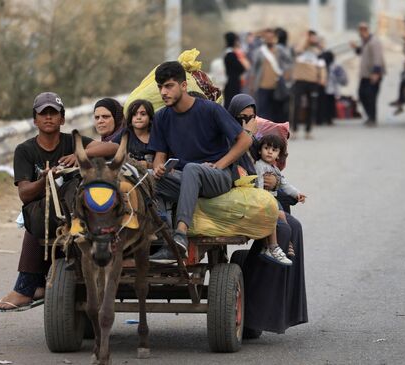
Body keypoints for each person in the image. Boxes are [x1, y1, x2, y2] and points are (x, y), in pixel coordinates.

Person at [0, 92, 118, 312]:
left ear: (62, 119)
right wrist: (44, 180)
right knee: (40, 211)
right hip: (43, 214)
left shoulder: (72, 142)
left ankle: (34, 285)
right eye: (43, 113)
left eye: (53, 113)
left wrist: (80, 155)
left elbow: (113, 148)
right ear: (35, 120)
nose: (48, 117)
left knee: (78, 186)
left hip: (77, 213)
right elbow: (25, 194)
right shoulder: (25, 150)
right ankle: (26, 287)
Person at [147, 61, 252, 263]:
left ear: (184, 86)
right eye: (160, 87)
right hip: (184, 180)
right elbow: (159, 154)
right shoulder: (161, 117)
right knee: (148, 180)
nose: (163, 92)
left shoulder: (210, 110)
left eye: (169, 86)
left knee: (192, 169)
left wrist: (220, 165)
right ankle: (164, 240)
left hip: (217, 177)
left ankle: (180, 235)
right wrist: (158, 167)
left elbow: (245, 140)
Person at [226, 94, 308, 336]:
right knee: (282, 229)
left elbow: (270, 181)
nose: (245, 122)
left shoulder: (254, 144)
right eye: (240, 118)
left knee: (295, 227)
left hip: (260, 200)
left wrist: (282, 192)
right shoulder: (226, 138)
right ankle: (253, 316)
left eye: (250, 118)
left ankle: (284, 312)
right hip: (236, 201)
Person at [249, 29, 293, 123]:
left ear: (275, 38)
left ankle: (278, 132)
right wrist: (252, 84)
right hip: (262, 86)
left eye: (271, 37)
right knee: (263, 111)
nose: (269, 40)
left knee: (278, 110)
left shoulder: (280, 50)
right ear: (264, 39)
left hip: (277, 85)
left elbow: (289, 61)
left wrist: (286, 74)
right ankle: (264, 133)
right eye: (267, 38)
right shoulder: (259, 51)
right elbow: (253, 69)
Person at [289, 30, 326, 139]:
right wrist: (305, 40)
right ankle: (294, 130)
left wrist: (323, 78)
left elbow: (322, 65)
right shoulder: (299, 47)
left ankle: (308, 131)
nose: (313, 39)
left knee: (312, 106)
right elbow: (298, 51)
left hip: (312, 81)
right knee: (296, 105)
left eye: (314, 37)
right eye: (311, 37)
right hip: (299, 80)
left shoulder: (317, 50)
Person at [351, 22, 386, 126]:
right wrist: (355, 48)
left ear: (366, 30)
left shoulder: (374, 42)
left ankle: (373, 118)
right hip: (365, 74)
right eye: (360, 30)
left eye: (363, 30)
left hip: (374, 74)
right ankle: (370, 116)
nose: (361, 32)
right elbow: (361, 52)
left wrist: (376, 73)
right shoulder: (364, 41)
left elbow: (377, 58)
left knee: (371, 96)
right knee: (362, 94)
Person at [114, 99, 155, 169]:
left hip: (151, 176)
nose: (138, 117)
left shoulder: (156, 135)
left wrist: (148, 165)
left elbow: (163, 162)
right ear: (130, 118)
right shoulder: (126, 133)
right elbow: (110, 145)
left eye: (143, 114)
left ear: (150, 117)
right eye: (134, 114)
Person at [319, 51, 348, 125]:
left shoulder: (321, 65)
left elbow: (342, 78)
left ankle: (322, 119)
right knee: (330, 105)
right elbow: (342, 78)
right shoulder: (336, 66)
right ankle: (329, 120)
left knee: (323, 104)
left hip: (323, 89)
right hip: (331, 90)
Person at [223, 32, 250, 109]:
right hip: (233, 82)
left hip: (229, 81)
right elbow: (242, 68)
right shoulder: (231, 54)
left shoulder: (226, 53)